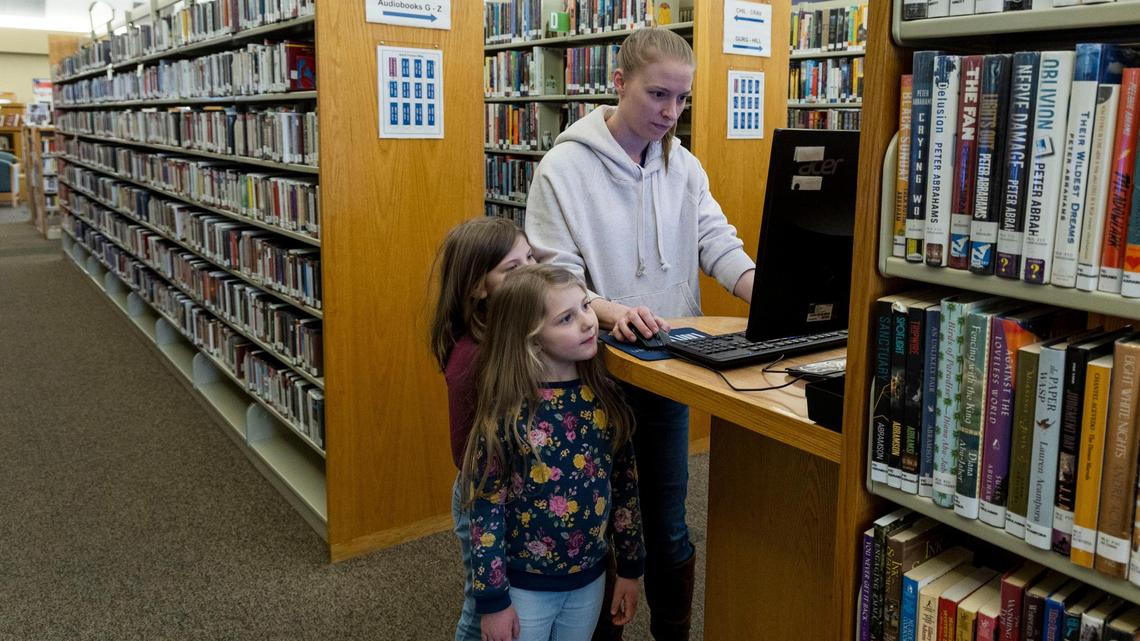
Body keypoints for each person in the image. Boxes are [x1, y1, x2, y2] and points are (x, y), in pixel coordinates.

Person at [524, 27, 756, 640]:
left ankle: (673, 633)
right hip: (593, 376)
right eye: (658, 95)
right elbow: (554, 278)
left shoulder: (684, 166)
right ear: (620, 82)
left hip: (666, 367)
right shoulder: (561, 170)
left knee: (666, 520)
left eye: (682, 100)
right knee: (597, 521)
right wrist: (606, 309)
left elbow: (717, 245)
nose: (670, 112)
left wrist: (764, 288)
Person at [461, 264, 645, 641]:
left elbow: (626, 488)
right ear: (531, 339)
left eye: (585, 306)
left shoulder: (606, 398)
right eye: (565, 318)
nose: (587, 322)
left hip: (589, 579)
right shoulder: (508, 412)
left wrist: (630, 567)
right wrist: (493, 600)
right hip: (524, 586)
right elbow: (485, 508)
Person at [430, 216, 537, 641]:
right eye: (514, 268)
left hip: (522, 494)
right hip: (484, 499)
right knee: (484, 608)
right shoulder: (472, 360)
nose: (531, 271)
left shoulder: (519, 328)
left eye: (531, 257)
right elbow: (466, 455)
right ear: (478, 287)